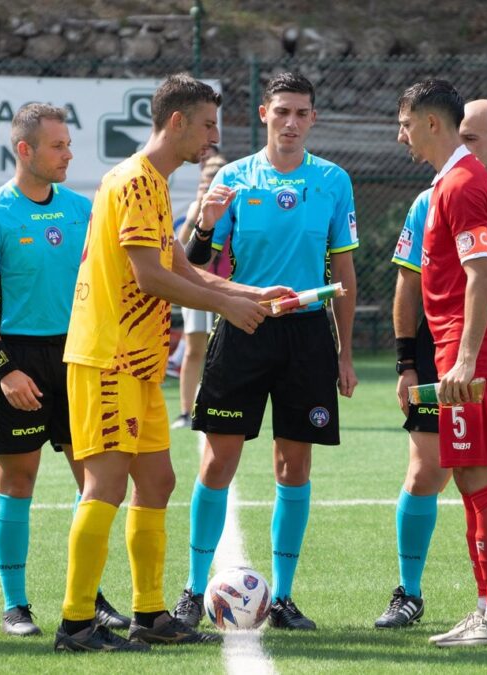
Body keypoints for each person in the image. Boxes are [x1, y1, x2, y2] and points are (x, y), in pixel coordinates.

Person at [55, 73, 281, 653]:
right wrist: (227, 304)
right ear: (176, 121)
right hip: (107, 358)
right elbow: (147, 276)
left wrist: (251, 293)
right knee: (104, 486)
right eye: (207, 124)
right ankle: (76, 624)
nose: (213, 136)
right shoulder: (134, 180)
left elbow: (179, 265)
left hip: (139, 362)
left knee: (157, 480)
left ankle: (149, 614)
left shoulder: (153, 183)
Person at [172, 71, 360, 632]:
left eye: (302, 113)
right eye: (282, 112)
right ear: (263, 115)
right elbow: (195, 261)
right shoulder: (234, 177)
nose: (292, 123)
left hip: (307, 336)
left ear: (313, 119)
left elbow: (344, 270)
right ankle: (191, 589)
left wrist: (345, 354)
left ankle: (284, 598)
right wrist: (204, 223)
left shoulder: (333, 181)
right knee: (218, 459)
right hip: (246, 326)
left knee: (293, 465)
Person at [376, 98, 487, 630]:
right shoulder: (465, 179)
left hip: (467, 354)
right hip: (468, 350)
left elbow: (481, 274)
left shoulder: (459, 185)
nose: (400, 137)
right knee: (469, 477)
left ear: (433, 123)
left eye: (405, 125)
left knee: (484, 476)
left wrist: (466, 359)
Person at [0, 103, 129, 638]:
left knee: (94, 480)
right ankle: (16, 606)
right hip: (16, 359)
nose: (69, 154)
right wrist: (5, 371)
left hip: (79, 357)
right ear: (25, 150)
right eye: (58, 146)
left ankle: (88, 597)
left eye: (68, 144)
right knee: (18, 480)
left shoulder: (82, 210)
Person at [171, 153, 230, 429]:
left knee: (226, 347)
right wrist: (197, 212)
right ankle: (185, 410)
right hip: (196, 286)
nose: (209, 187)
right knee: (195, 348)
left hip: (226, 286)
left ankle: (223, 406)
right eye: (206, 181)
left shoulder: (233, 205)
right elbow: (180, 249)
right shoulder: (196, 207)